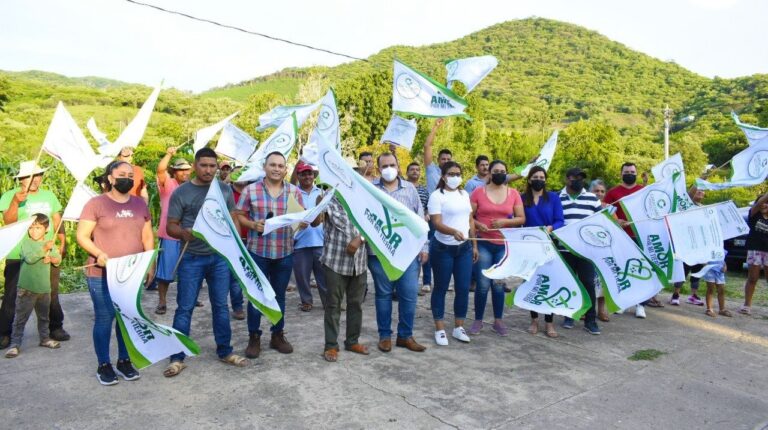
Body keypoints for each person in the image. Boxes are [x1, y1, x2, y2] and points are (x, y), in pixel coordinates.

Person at [164, 148, 249, 378]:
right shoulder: (182, 192)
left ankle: (225, 351)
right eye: (204, 165)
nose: (209, 170)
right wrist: (183, 233)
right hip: (191, 257)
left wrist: (237, 247)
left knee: (221, 306)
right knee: (185, 307)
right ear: (195, 166)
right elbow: (170, 225)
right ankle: (177, 356)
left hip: (219, 257)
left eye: (212, 166)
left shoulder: (224, 190)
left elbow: (233, 219)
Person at [77, 160, 154, 385]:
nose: (127, 179)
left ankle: (124, 360)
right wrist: (98, 253)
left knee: (126, 317)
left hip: (131, 273)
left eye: (131, 175)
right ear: (110, 178)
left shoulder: (140, 204)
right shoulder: (96, 204)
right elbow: (82, 236)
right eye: (122, 174)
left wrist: (150, 263)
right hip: (102, 273)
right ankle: (104, 364)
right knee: (104, 317)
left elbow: (147, 235)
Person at [236, 152, 304, 358]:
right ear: (265, 167)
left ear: (285, 170)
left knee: (279, 296)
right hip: (258, 252)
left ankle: (277, 335)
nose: (276, 168)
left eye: (280, 166)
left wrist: (303, 222)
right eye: (272, 165)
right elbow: (239, 214)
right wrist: (251, 224)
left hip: (284, 252)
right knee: (256, 298)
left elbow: (299, 219)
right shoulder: (251, 190)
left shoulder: (294, 192)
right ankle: (254, 337)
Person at [0, 161, 68, 349]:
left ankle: (55, 327)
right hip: (19, 253)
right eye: (30, 176)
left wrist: (62, 241)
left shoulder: (49, 196)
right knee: (13, 293)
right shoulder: (10, 196)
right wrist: (15, 202)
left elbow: (57, 219)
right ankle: (5, 332)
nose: (35, 179)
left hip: (47, 251)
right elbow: (8, 221)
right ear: (21, 179)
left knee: (51, 291)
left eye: (38, 175)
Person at [368, 153, 428, 353]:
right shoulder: (370, 189)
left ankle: (405, 336)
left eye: (392, 164)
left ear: (398, 166)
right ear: (378, 169)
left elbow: (419, 219)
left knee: (409, 294)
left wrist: (424, 246)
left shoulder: (410, 189)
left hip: (408, 253)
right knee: (383, 295)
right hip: (380, 254)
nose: (388, 168)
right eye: (384, 165)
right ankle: (385, 336)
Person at [470, 160, 525, 336]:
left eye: (503, 171)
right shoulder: (479, 192)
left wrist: (505, 222)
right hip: (484, 242)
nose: (500, 173)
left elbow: (521, 218)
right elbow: (468, 216)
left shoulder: (514, 193)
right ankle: (478, 320)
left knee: (499, 284)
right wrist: (478, 225)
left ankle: (498, 321)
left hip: (503, 245)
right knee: (483, 285)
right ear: (490, 174)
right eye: (496, 171)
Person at [428, 161, 477, 346]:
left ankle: (458, 326)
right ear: (443, 176)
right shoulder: (436, 196)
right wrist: (452, 232)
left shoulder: (464, 194)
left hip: (463, 248)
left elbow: (470, 219)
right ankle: (440, 328)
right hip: (442, 248)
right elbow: (436, 223)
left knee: (463, 288)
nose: (455, 177)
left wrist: (474, 245)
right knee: (440, 287)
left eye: (458, 173)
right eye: (451, 173)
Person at [317, 195, 369, 362]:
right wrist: (318, 206)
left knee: (356, 304)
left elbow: (373, 226)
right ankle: (331, 346)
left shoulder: (364, 199)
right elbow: (315, 222)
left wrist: (360, 239)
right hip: (335, 262)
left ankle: (352, 341)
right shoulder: (327, 199)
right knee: (333, 305)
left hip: (359, 262)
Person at [604, 162, 658, 318]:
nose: (630, 174)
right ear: (621, 174)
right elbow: (605, 210)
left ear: (636, 173)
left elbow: (650, 209)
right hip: (621, 237)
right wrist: (616, 221)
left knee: (642, 270)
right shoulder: (613, 192)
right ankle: (624, 302)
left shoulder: (642, 190)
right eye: (626, 171)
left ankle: (641, 305)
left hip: (640, 236)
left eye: (632, 171)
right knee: (622, 270)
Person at [4, 214, 62, 359]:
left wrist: (53, 257)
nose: (34, 231)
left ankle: (44, 339)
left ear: (46, 229)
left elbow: (58, 260)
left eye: (38, 228)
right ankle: (15, 344)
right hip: (26, 289)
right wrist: (44, 250)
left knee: (44, 317)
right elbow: (29, 258)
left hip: (44, 289)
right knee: (20, 318)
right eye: (31, 228)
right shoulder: (26, 244)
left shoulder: (50, 243)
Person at [558, 167, 602, 334]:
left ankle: (590, 320)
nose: (578, 180)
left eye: (581, 178)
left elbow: (600, 222)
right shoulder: (557, 197)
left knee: (588, 284)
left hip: (585, 251)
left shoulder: (592, 198)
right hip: (564, 249)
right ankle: (569, 315)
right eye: (574, 177)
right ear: (567, 178)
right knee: (568, 283)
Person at [523, 166, 564, 338]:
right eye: (535, 176)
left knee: (548, 283)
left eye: (542, 176)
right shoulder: (522, 198)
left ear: (545, 180)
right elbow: (514, 217)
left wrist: (551, 227)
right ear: (530, 179)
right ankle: (534, 320)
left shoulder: (553, 198)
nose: (539, 179)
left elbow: (560, 220)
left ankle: (549, 322)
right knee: (532, 283)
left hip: (548, 245)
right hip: (529, 246)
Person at [153, 148, 192, 315]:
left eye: (187, 170)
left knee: (189, 271)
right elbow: (160, 169)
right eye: (180, 170)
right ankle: (162, 301)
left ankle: (189, 299)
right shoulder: (168, 184)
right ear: (174, 172)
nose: (184, 173)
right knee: (166, 271)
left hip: (188, 235)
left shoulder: (193, 187)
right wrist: (168, 154)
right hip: (170, 235)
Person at [293, 161, 328, 311]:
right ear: (298, 176)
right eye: (303, 173)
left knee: (324, 277)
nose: (307, 176)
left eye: (309, 173)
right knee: (302, 276)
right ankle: (306, 301)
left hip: (321, 240)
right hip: (300, 241)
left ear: (314, 175)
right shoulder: (292, 193)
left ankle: (328, 302)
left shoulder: (322, 193)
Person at [670, 186, 706, 306]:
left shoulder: (705, 209)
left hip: (700, 244)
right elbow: (688, 195)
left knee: (697, 270)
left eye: (703, 190)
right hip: (686, 243)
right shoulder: (686, 204)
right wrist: (699, 180)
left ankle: (693, 295)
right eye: (698, 189)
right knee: (683, 269)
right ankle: (675, 294)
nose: (700, 191)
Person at [739, 192, 768, 315]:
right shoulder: (753, 214)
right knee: (753, 278)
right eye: (762, 202)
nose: (765, 204)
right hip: (755, 249)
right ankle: (747, 305)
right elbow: (761, 202)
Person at [406, 161, 432, 295]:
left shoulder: (424, 190)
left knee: (421, 256)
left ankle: (416, 286)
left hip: (420, 228)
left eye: (417, 169)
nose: (415, 171)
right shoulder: (403, 187)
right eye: (412, 169)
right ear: (407, 172)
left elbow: (427, 207)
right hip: (405, 228)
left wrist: (426, 214)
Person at [589, 179, 612, 321]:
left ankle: (601, 309)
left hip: (604, 248)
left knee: (603, 279)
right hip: (588, 248)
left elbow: (616, 225)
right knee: (588, 280)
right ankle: (587, 308)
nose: (599, 193)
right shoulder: (585, 205)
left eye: (602, 191)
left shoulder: (610, 208)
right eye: (596, 191)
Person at [423, 119, 451, 194]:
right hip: (433, 204)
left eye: (448, 159)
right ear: (438, 160)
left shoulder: (453, 175)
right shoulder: (431, 170)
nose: (446, 161)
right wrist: (436, 126)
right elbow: (427, 146)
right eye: (443, 159)